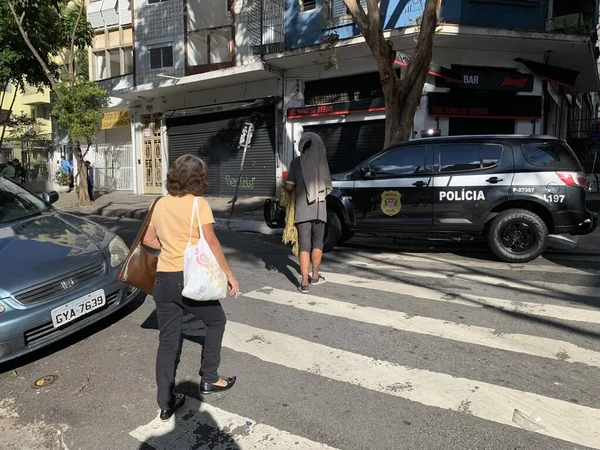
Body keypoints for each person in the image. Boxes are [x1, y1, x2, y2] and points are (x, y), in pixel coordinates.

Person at [142, 154, 240, 422]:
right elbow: (211, 242)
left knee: (168, 342)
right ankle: (209, 378)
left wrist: (172, 250)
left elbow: (149, 238)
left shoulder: (159, 203)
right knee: (216, 321)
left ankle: (165, 403)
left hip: (163, 281)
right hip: (189, 279)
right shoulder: (199, 204)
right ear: (199, 178)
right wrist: (229, 274)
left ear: (174, 175)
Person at [285, 132, 332, 293]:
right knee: (318, 241)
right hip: (320, 208)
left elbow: (289, 186)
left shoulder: (296, 163)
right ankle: (315, 275)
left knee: (304, 244)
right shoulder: (322, 163)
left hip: (302, 208)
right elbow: (328, 187)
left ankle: (304, 282)